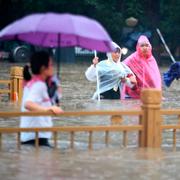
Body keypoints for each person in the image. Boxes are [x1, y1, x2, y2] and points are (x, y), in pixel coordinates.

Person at [20, 51, 63, 146]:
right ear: (44, 68)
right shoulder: (39, 85)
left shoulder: (32, 83)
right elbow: (28, 104)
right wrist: (48, 109)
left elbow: (45, 102)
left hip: (33, 136)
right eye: (51, 65)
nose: (53, 67)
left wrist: (56, 90)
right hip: (36, 138)